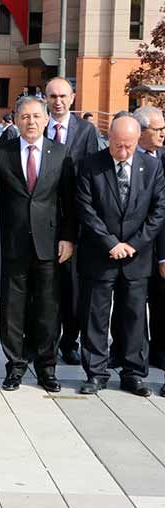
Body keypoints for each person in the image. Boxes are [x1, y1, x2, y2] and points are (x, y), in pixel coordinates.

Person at [75, 115, 165, 396]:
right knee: (95, 317)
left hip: (137, 258)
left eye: (128, 146)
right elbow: (85, 209)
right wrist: (111, 243)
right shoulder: (91, 165)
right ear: (108, 138)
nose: (122, 151)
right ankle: (95, 373)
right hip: (100, 255)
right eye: (116, 145)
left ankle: (133, 373)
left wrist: (134, 244)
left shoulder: (151, 167)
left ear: (137, 142)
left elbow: (158, 210)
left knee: (135, 317)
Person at [0, 96, 76, 392]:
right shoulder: (0, 153)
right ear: (15, 120)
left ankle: (46, 367)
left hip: (49, 244)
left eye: (36, 117)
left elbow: (69, 201)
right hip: (12, 244)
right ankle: (15, 366)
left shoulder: (61, 154)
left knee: (48, 309)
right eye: (24, 117)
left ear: (45, 121)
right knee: (12, 310)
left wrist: (68, 237)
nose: (30, 122)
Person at [44, 76, 100, 365]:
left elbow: (92, 174)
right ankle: (44, 342)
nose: (58, 101)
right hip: (43, 219)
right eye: (52, 96)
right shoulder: (38, 125)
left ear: (73, 98)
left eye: (63, 96)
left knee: (73, 289)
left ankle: (69, 342)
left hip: (75, 221)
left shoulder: (86, 131)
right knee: (45, 287)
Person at [131, 106, 165, 376]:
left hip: (159, 247)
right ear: (141, 132)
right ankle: (129, 353)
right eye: (158, 130)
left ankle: (159, 351)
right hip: (128, 247)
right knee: (131, 306)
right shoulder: (123, 154)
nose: (163, 134)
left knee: (161, 303)